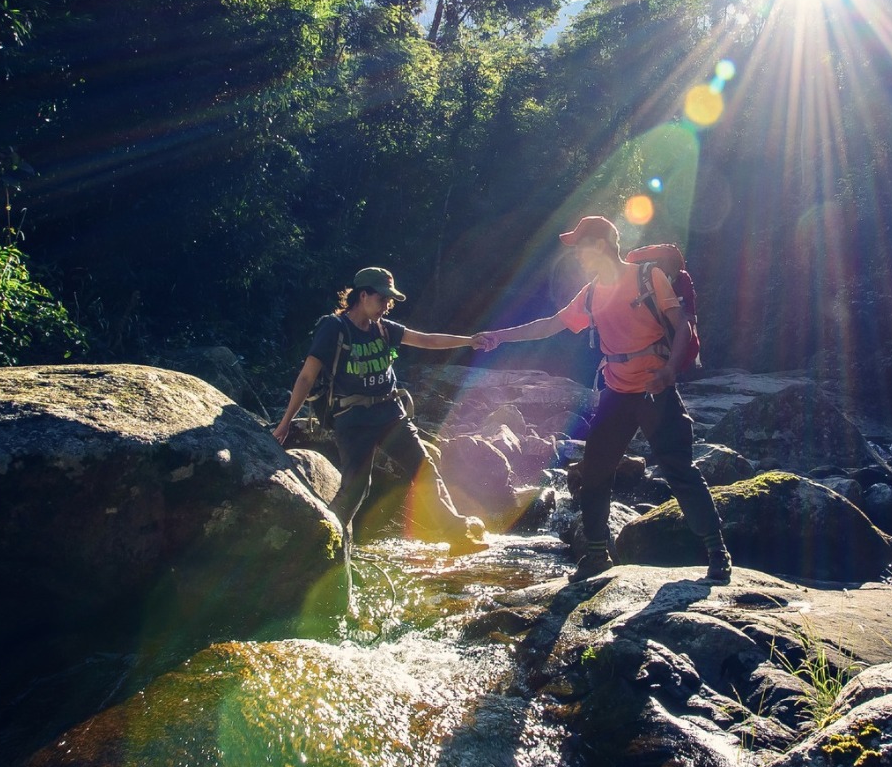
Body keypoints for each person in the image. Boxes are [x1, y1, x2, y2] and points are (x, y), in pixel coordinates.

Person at [478, 217, 732, 583]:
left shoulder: (648, 277)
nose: (578, 255)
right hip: (616, 391)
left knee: (679, 470)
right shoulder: (592, 293)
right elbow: (550, 324)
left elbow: (683, 328)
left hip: (654, 390)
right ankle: (597, 556)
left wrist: (670, 370)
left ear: (599, 245)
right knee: (596, 472)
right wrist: (499, 337)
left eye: (580, 246)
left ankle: (717, 551)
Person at [273, 266, 485, 549]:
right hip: (353, 419)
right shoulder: (334, 328)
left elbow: (427, 339)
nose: (388, 306)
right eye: (383, 299)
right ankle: (322, 543)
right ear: (363, 295)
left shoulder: (384, 329)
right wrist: (286, 421)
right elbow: (307, 376)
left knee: (423, 468)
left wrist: (470, 341)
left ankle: (456, 534)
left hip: (390, 414)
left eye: (390, 300)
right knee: (357, 488)